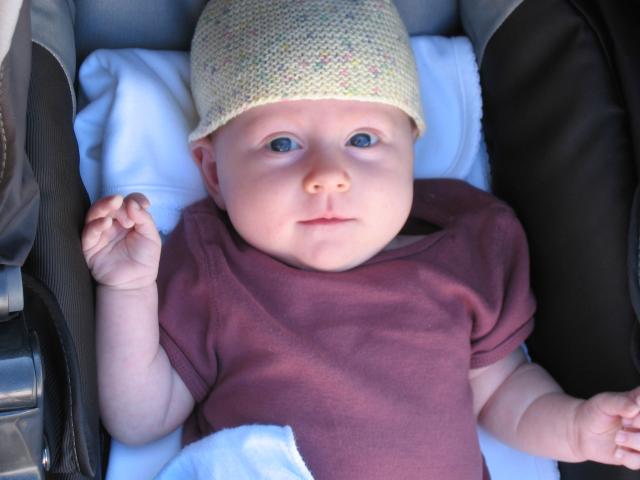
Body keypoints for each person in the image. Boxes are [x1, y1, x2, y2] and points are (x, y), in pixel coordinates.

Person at [81, 1, 640, 478]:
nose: (329, 176)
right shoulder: (214, 266)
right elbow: (140, 418)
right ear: (213, 174)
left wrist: (576, 429)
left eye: (363, 139)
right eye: (281, 144)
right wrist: (128, 290)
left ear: (410, 153)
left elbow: (501, 394)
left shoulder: (464, 244)